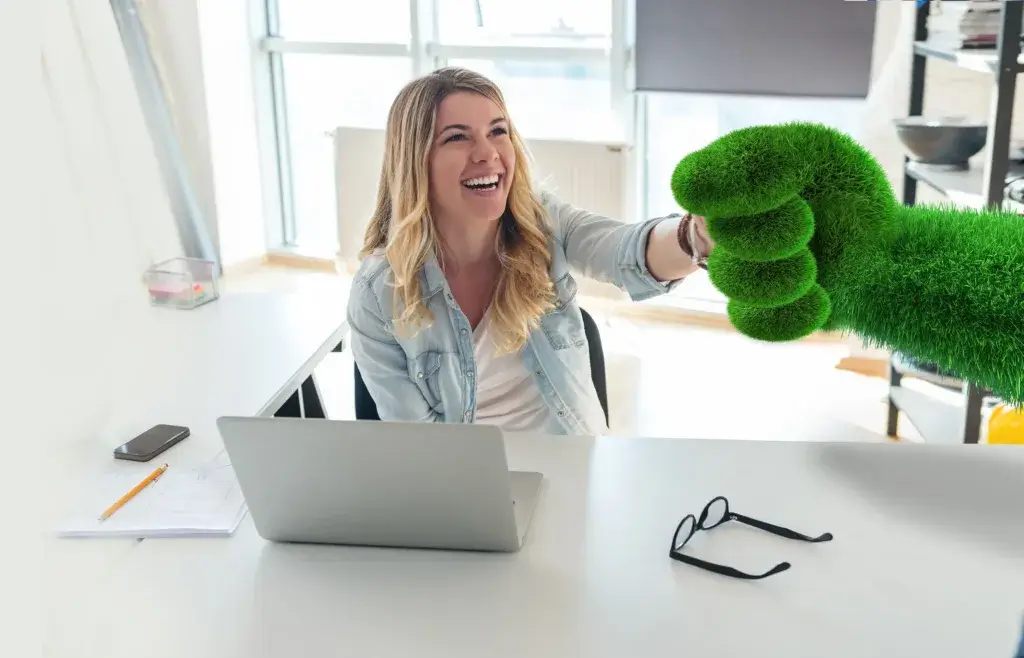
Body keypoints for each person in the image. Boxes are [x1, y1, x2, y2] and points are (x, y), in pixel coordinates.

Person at [346, 67, 714, 435]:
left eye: (498, 131)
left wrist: (696, 236)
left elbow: (625, 251)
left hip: (571, 457)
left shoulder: (542, 222)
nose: (487, 153)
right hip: (462, 468)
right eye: (457, 137)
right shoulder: (378, 291)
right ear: (415, 160)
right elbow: (423, 444)